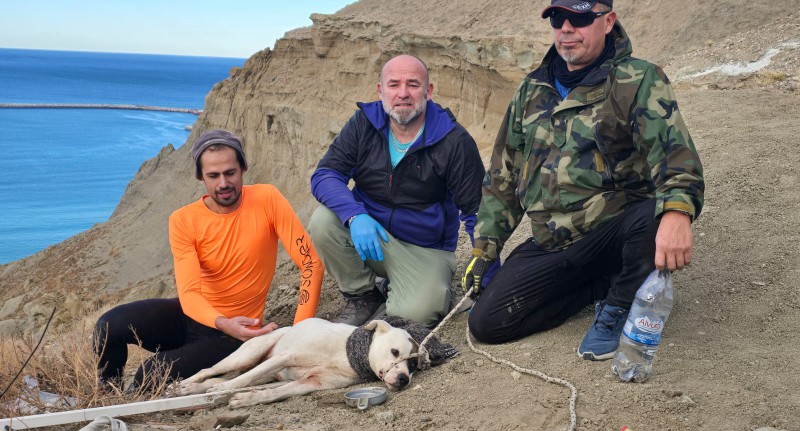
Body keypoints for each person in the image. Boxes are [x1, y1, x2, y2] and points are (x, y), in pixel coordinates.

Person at [462, 0, 704, 360]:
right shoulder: (531, 90)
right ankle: (597, 287)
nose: (566, 28)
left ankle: (619, 305)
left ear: (608, 21)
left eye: (579, 17)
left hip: (614, 233)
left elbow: (675, 155)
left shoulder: (638, 80)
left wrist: (678, 213)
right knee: (488, 323)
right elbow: (503, 175)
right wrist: (485, 248)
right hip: (554, 241)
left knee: (655, 213)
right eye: (558, 18)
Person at [93, 129, 324, 390]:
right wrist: (222, 322)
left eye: (230, 173)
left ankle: (137, 396)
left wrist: (299, 331)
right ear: (201, 176)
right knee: (108, 326)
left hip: (234, 335)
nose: (223, 183)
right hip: (194, 316)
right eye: (213, 176)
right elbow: (189, 293)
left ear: (243, 169)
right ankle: (108, 392)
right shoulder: (183, 220)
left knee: (148, 374)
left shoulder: (267, 199)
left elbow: (311, 264)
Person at [309, 54, 485, 328]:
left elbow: (477, 211)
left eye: (413, 84)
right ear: (381, 91)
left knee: (414, 316)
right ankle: (363, 296)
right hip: (372, 236)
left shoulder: (453, 141)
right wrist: (356, 216)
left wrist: (488, 278)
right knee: (323, 222)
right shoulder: (364, 124)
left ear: (428, 91)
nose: (403, 93)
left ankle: (408, 290)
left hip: (425, 250)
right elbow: (326, 174)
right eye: (394, 85)